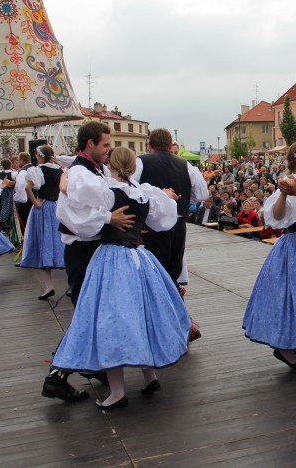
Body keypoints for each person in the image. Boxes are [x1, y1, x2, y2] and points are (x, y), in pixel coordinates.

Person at [51, 147, 187, 409]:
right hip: (140, 257)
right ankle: (150, 377)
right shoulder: (144, 192)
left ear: (110, 166)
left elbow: (79, 212)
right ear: (133, 168)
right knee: (143, 313)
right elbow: (164, 218)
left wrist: (65, 186)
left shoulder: (107, 192)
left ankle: (117, 392)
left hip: (112, 259)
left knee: (110, 320)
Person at [45, 122, 135, 403]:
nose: (109, 150)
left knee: (95, 313)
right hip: (82, 252)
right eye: (105, 144)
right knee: (89, 314)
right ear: (90, 144)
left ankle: (93, 368)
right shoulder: (79, 174)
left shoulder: (89, 171)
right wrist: (110, 218)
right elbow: (72, 217)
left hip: (92, 250)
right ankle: (57, 376)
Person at [243, 141, 296, 369]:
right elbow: (277, 218)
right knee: (295, 296)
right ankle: (284, 346)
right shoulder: (292, 184)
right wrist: (283, 193)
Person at [133, 128, 207, 342]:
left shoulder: (141, 162)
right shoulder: (185, 165)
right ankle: (181, 323)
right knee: (172, 272)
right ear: (170, 143)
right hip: (178, 223)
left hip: (152, 226)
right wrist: (183, 200)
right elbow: (202, 194)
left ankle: (166, 326)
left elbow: (133, 190)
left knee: (154, 273)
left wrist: (153, 201)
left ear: (150, 144)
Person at [21, 146, 66, 300]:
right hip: (57, 208)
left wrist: (36, 203)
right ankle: (71, 285)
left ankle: (49, 286)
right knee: (60, 241)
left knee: (44, 243)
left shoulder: (38, 170)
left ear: (40, 156)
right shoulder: (60, 170)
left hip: (44, 208)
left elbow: (28, 187)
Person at [13, 151, 35, 236]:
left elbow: (20, 187)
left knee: (25, 225)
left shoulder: (23, 172)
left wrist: (16, 199)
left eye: (18, 160)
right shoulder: (35, 168)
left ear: (21, 160)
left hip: (25, 202)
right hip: (35, 200)